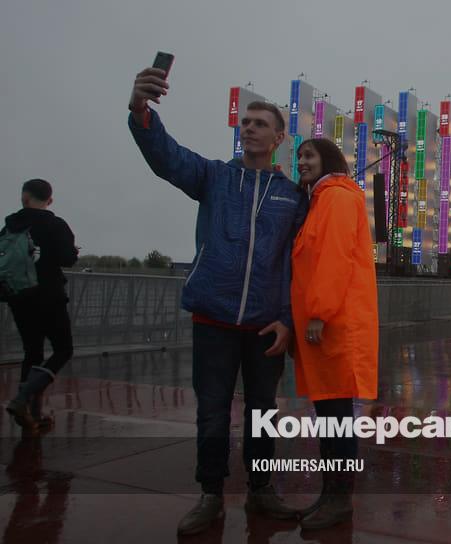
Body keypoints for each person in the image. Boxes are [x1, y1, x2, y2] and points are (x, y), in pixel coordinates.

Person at [128, 65, 307, 535]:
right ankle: (210, 493)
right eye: (245, 122)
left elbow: (296, 266)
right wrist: (140, 109)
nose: (249, 128)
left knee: (263, 412)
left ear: (278, 138)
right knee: (212, 410)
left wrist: (288, 319)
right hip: (213, 318)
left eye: (260, 123)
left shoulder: (291, 196)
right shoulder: (213, 177)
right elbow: (166, 157)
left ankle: (261, 489)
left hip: (266, 326)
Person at [290, 138, 378, 530]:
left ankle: (339, 500)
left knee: (337, 418)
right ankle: (330, 495)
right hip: (328, 327)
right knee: (329, 417)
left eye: (309, 155)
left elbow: (333, 259)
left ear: (327, 159)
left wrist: (318, 313)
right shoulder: (321, 199)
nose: (301, 162)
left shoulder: (338, 198)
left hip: (334, 326)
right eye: (299, 156)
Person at [3, 179, 78, 431]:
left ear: (24, 198)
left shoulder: (10, 226)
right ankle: (23, 399)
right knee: (63, 349)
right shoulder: (55, 225)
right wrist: (72, 252)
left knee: (32, 352)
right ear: (50, 200)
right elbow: (67, 258)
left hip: (19, 296)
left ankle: (32, 415)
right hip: (49, 296)